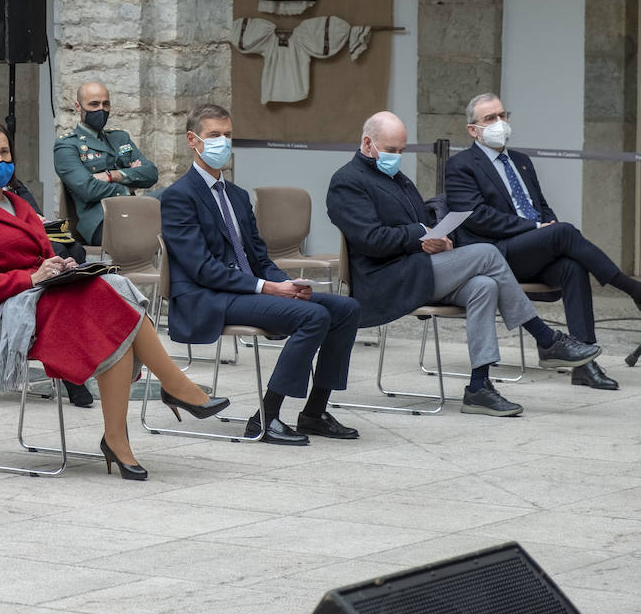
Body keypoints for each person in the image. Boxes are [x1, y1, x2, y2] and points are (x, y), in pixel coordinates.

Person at [0, 119, 226, 481]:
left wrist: (58, 264)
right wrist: (31, 277)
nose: (0, 161)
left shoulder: (19, 204)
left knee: (113, 292)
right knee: (108, 301)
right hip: (2, 310)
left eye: (5, 152)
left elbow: (43, 254)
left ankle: (119, 436)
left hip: (44, 296)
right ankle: (172, 389)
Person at [327, 111, 600, 417]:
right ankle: (546, 339)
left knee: (483, 285)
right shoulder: (347, 182)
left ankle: (479, 387)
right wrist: (420, 235)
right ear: (368, 143)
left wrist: (439, 239)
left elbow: (424, 223)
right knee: (486, 253)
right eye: (392, 150)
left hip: (419, 268)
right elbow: (371, 239)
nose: (397, 157)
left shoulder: (398, 180)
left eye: (402, 151)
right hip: (386, 280)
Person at [161, 104, 361, 445]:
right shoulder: (179, 197)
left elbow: (257, 254)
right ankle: (266, 418)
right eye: (213, 136)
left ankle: (314, 412)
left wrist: (286, 283)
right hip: (208, 297)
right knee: (312, 317)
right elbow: (201, 268)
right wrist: (266, 288)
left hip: (246, 290)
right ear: (193, 141)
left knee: (346, 309)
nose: (223, 142)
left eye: (227, 135)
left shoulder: (237, 196)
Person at [447, 94, 636, 390]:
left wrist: (543, 226)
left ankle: (584, 364)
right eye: (489, 119)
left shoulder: (521, 161)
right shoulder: (461, 166)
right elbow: (478, 218)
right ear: (473, 130)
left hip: (532, 251)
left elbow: (542, 207)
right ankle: (631, 288)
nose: (500, 123)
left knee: (572, 266)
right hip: (496, 256)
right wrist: (537, 228)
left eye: (502, 115)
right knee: (562, 231)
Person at [54, 81, 158, 246]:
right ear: (78, 107)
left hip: (131, 210)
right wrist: (127, 186)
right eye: (94, 104)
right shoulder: (67, 146)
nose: (101, 110)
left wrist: (113, 175)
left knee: (173, 196)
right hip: (100, 221)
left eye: (106, 104)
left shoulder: (119, 138)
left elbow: (151, 173)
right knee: (171, 202)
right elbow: (88, 189)